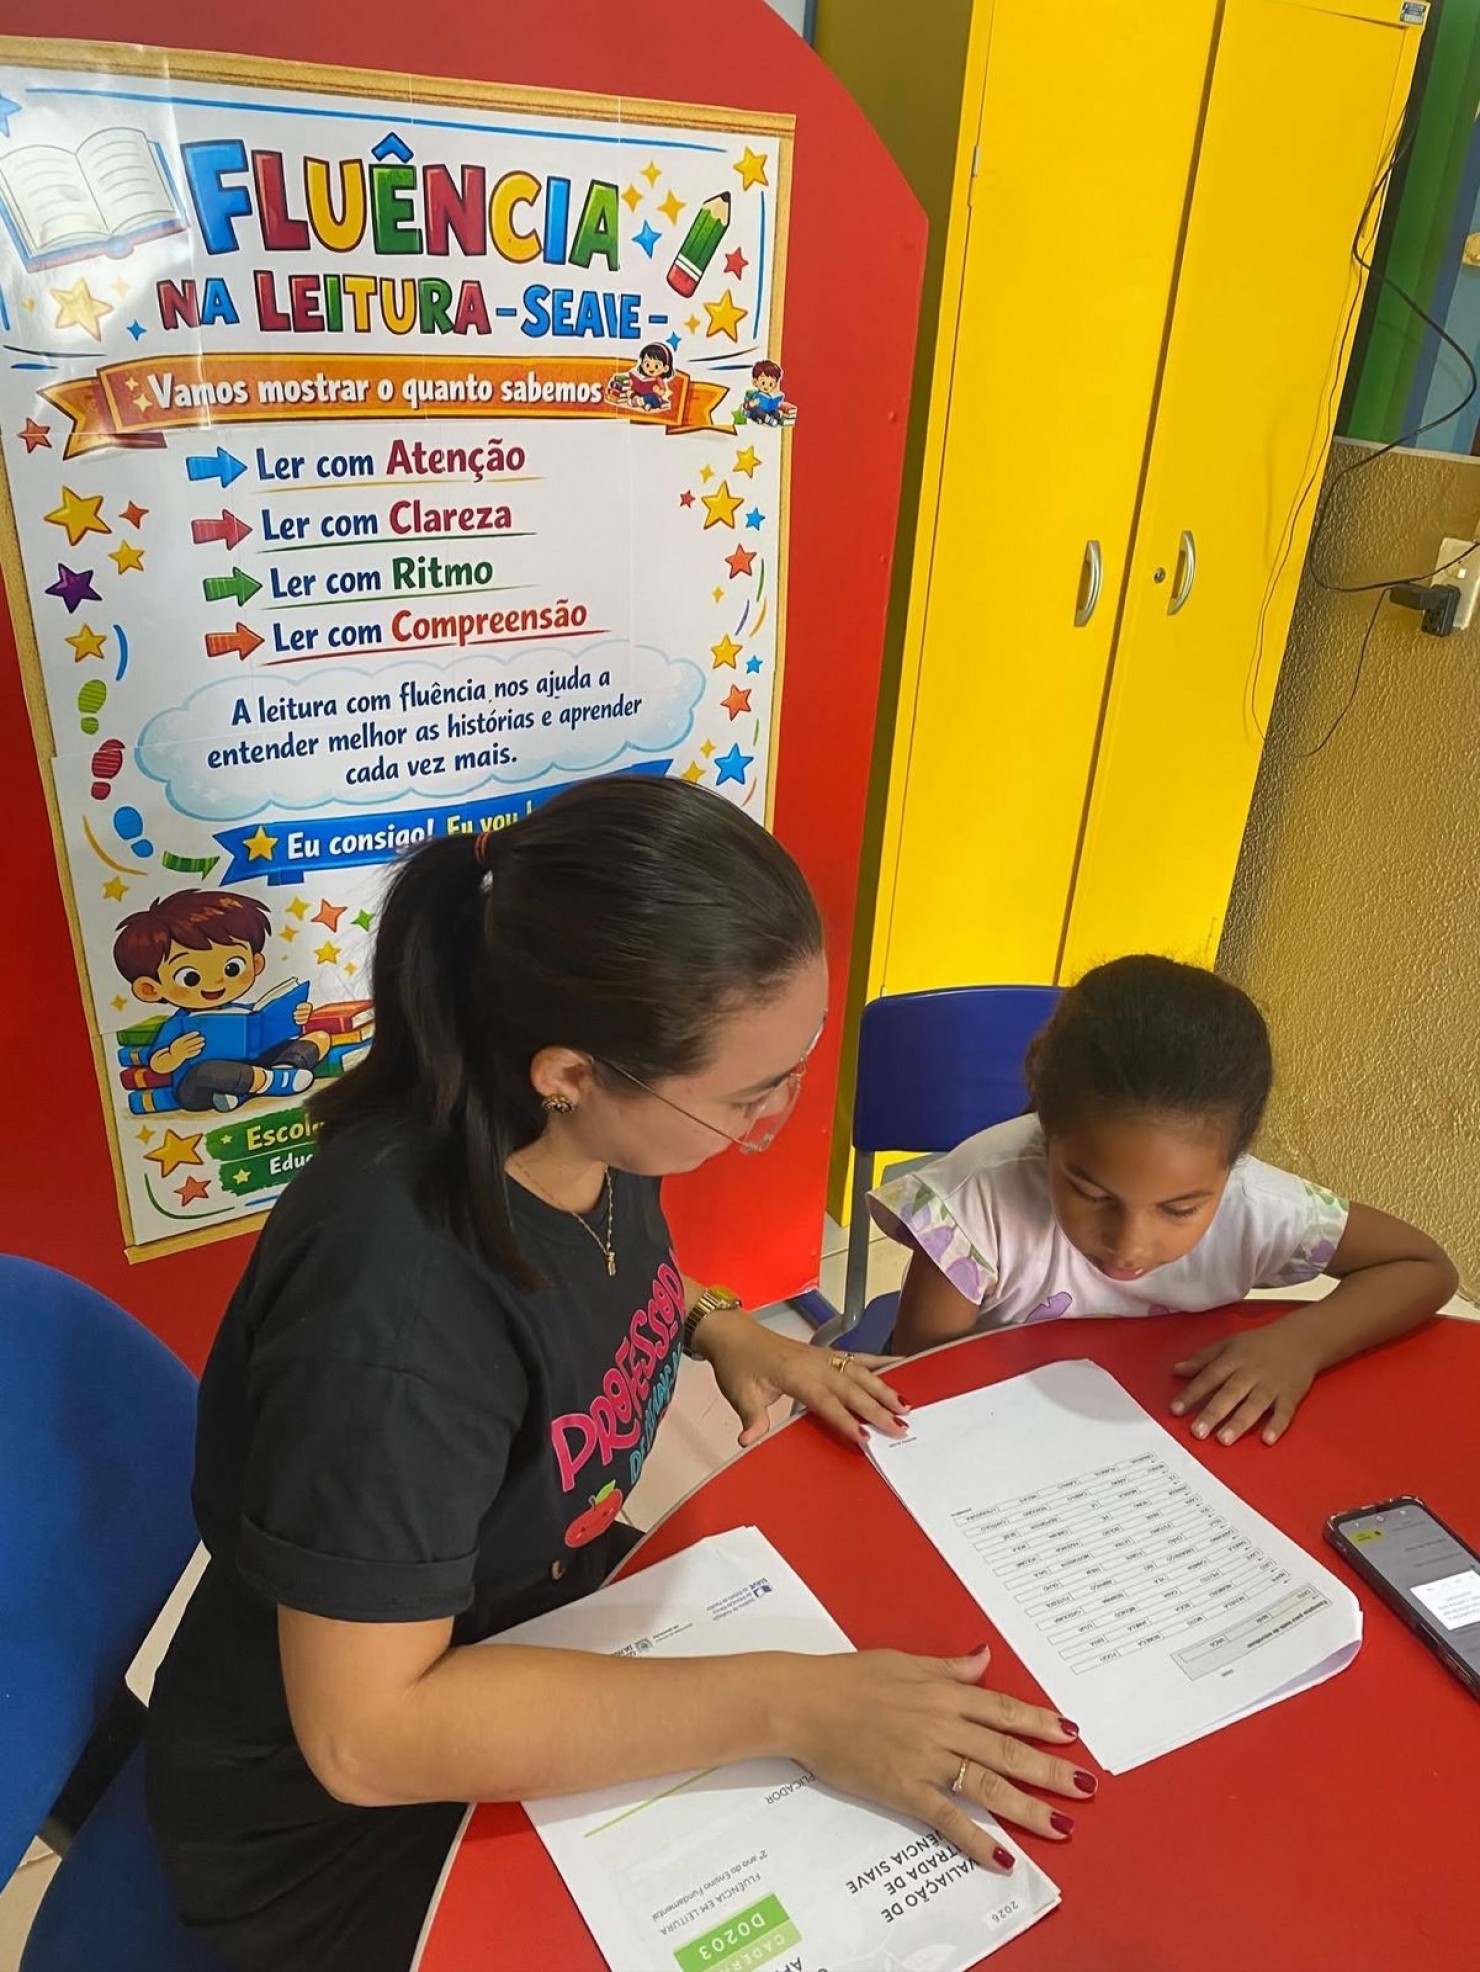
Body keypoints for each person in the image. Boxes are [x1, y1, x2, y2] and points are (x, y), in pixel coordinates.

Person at [146, 777, 1090, 1972]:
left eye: (797, 1063)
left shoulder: (578, 1138)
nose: (778, 1116)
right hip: (334, 1823)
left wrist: (716, 1323)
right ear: (572, 1072)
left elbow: (589, 1279)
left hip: (537, 1623)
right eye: (747, 1096)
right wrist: (791, 1703)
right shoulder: (393, 1320)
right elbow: (367, 1739)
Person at [873, 955, 1456, 1444]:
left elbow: (1423, 1267)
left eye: (1179, 1209)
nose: (1129, 1245)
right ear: (1048, 1128)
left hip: (1162, 1437)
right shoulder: (974, 1206)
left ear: (1233, 1164)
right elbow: (925, 1383)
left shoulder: (1255, 1206)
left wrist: (1302, 1343)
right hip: (1008, 1434)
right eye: (1090, 1192)